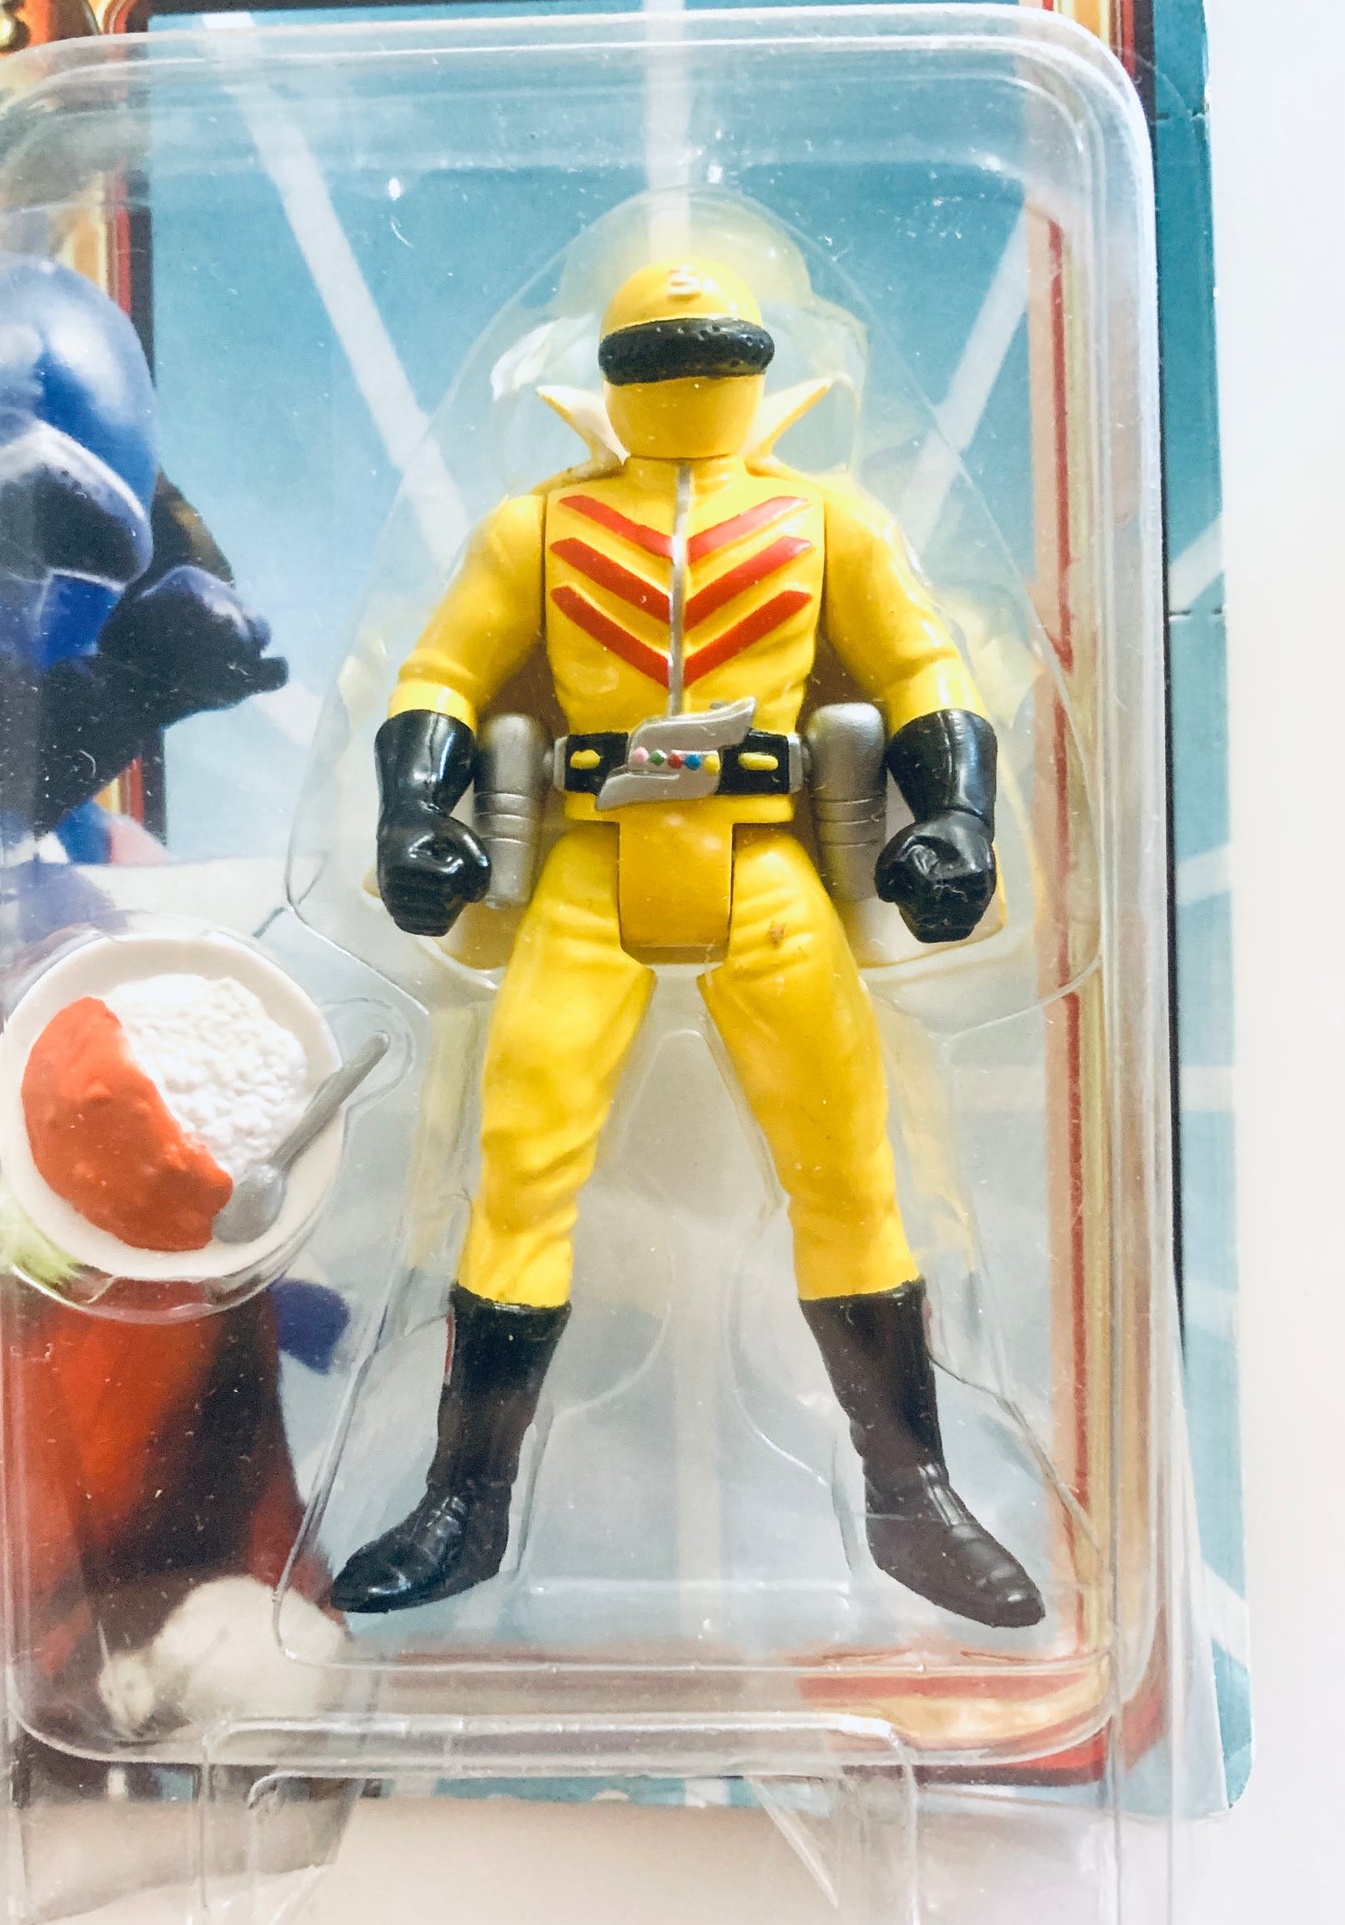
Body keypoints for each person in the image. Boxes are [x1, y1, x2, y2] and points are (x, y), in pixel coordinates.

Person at [333, 257, 1043, 1631]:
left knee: (850, 1176)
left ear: (761, 372)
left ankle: (913, 1498)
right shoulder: (536, 530)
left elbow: (922, 673)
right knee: (518, 1176)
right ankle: (466, 1502)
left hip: (765, 866)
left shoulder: (829, 522)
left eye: (713, 359)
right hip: (591, 870)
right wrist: (415, 811)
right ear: (610, 380)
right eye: (660, 362)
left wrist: (957, 812)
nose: (687, 384)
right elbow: (443, 674)